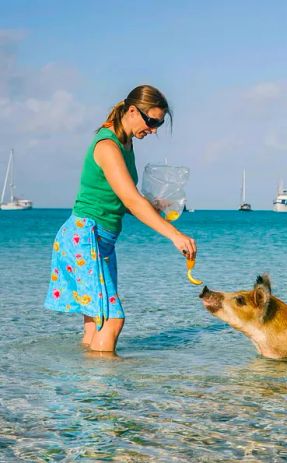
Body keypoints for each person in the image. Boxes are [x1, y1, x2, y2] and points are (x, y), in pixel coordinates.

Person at [44, 84, 196, 353]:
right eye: (152, 121)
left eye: (159, 124)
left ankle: (86, 387)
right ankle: (105, 386)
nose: (154, 129)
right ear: (133, 111)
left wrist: (154, 205)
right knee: (112, 318)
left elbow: (120, 197)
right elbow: (130, 200)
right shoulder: (107, 145)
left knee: (96, 321)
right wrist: (175, 235)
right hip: (85, 235)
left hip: (100, 240)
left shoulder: (126, 143)